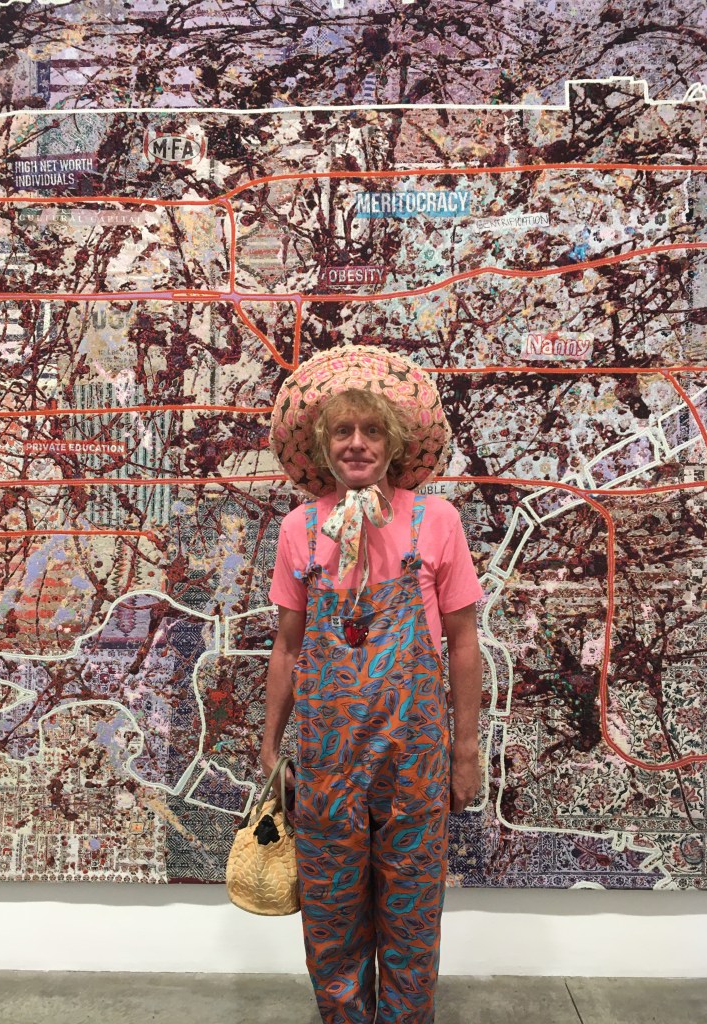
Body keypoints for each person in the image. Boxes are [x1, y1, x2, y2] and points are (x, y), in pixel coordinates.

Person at [263, 344, 484, 1024]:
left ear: (393, 443)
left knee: (412, 910)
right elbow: (288, 648)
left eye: (370, 430)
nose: (356, 443)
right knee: (330, 910)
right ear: (323, 446)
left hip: (413, 757)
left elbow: (464, 644)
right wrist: (270, 748)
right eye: (342, 431)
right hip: (327, 759)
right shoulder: (300, 529)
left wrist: (465, 752)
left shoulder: (435, 522)